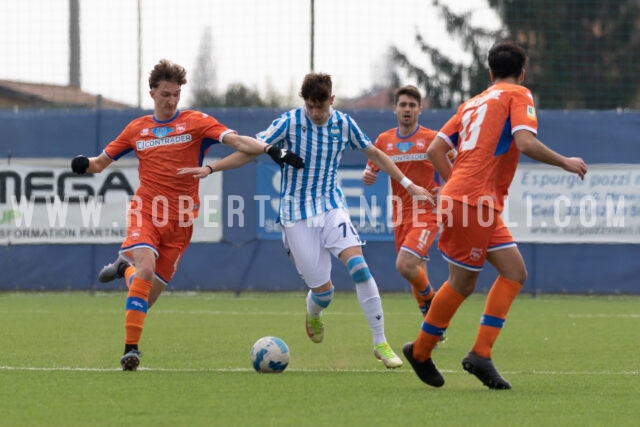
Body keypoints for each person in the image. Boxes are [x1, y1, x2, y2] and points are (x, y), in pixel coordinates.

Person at [179, 72, 434, 369]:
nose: (315, 113)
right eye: (310, 106)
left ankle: (380, 342)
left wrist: (408, 183)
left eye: (321, 107)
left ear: (332, 101)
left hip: (331, 207)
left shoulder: (343, 124)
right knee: (324, 292)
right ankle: (314, 310)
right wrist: (210, 169)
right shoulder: (289, 122)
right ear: (304, 102)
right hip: (296, 214)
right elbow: (249, 150)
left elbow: (375, 153)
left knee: (360, 268)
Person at [70, 59, 303, 371]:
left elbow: (236, 141)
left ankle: (124, 268)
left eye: (176, 94)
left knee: (145, 297)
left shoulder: (196, 122)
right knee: (147, 269)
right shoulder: (137, 129)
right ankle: (131, 351)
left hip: (181, 223)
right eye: (166, 94)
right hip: (147, 213)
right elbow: (100, 163)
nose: (172, 100)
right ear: (151, 92)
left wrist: (271, 150)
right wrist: (83, 163)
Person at [402, 40, 587, 389]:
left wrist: (454, 182)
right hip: (471, 202)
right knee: (462, 283)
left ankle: (480, 354)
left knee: (514, 272)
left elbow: (435, 149)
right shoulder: (518, 95)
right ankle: (421, 351)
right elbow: (525, 143)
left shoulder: (471, 103)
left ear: (490, 72)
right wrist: (565, 161)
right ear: (522, 71)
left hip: (477, 202)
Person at [362, 85, 446, 318]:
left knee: (405, 265)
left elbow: (458, 166)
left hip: (427, 211)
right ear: (394, 109)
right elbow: (371, 169)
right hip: (400, 214)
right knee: (415, 270)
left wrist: (446, 188)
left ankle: (434, 304)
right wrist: (367, 176)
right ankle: (432, 325)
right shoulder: (384, 140)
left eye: (412, 105)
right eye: (403, 105)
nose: (407, 109)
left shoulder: (432, 139)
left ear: (420, 109)